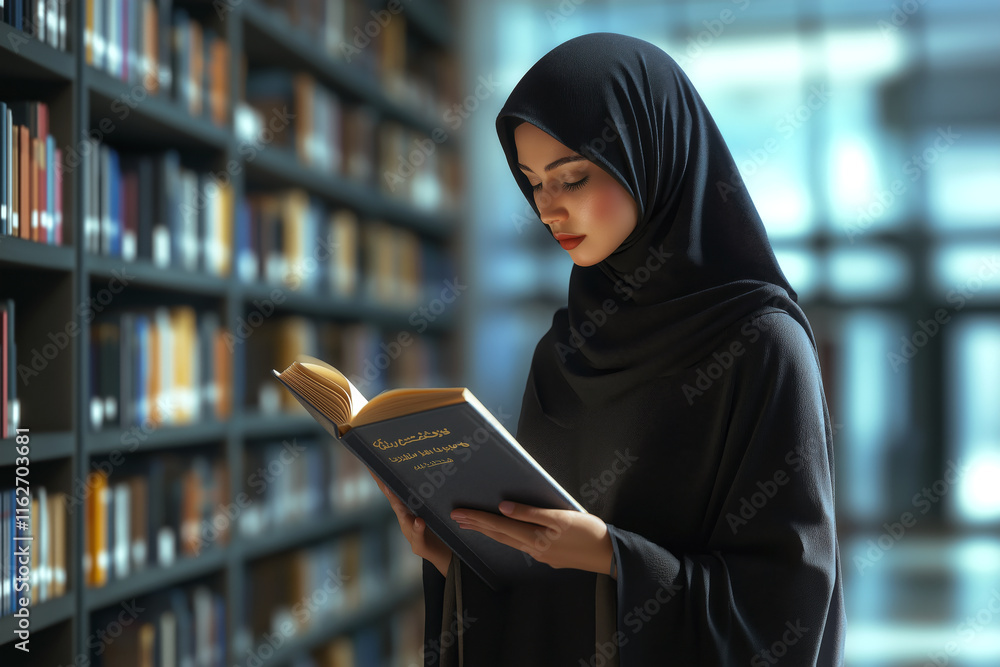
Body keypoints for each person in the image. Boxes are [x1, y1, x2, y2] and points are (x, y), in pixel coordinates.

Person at [371, 32, 846, 666]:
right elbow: (545, 573)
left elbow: (787, 604)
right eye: (533, 184)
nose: (548, 210)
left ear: (650, 157)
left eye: (572, 178)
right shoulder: (563, 351)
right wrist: (460, 558)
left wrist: (610, 555)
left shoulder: (764, 345)